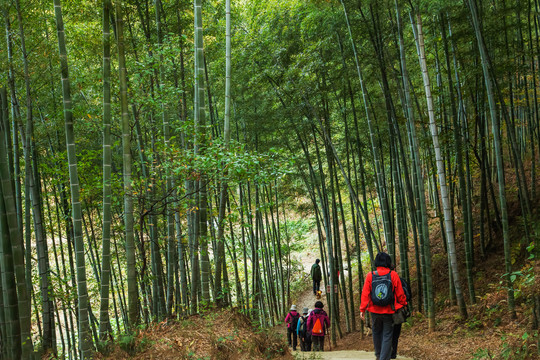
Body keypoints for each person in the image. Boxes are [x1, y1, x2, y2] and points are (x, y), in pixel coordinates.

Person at [360, 252, 407, 360]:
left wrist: (362, 309)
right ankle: (384, 358)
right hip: (389, 311)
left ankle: (378, 355)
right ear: (388, 262)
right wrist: (404, 304)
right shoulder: (393, 274)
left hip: (374, 311)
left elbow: (365, 294)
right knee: (387, 334)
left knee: (376, 332)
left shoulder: (370, 275)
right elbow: (400, 293)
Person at [390, 264, 412, 359]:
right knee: (395, 333)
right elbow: (408, 296)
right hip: (397, 311)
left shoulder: (380, 280)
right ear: (394, 269)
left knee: (386, 333)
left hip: (383, 312)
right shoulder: (401, 281)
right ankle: (393, 354)